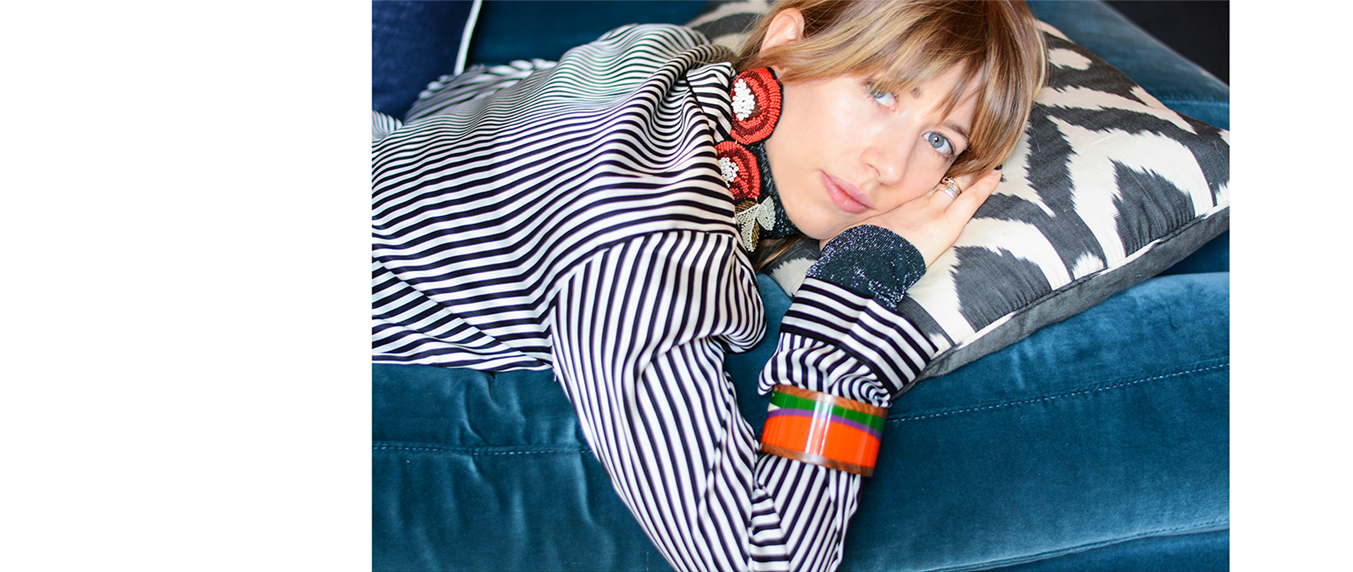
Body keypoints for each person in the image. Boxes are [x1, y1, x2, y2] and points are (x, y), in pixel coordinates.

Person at [371, 1, 1046, 570]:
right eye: (880, 91)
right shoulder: (646, 243)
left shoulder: (667, 54)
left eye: (938, 141)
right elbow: (764, 557)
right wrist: (856, 294)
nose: (887, 164)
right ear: (787, 41)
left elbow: (453, 98)